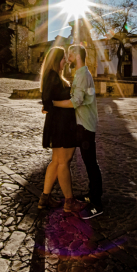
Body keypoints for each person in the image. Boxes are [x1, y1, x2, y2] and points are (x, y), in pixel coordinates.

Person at [52, 44, 103, 219]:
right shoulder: (81, 73)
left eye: (70, 53)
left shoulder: (82, 75)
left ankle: (97, 202)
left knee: (90, 163)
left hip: (85, 125)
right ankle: (92, 194)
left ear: (77, 55)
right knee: (89, 162)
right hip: (83, 124)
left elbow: (76, 102)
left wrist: (53, 104)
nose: (68, 56)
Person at [38, 46, 82, 213]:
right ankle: (69, 201)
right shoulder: (52, 76)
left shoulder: (55, 76)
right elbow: (47, 101)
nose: (65, 61)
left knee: (57, 161)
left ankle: (45, 198)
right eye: (63, 58)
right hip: (60, 124)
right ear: (57, 60)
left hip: (61, 123)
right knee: (63, 162)